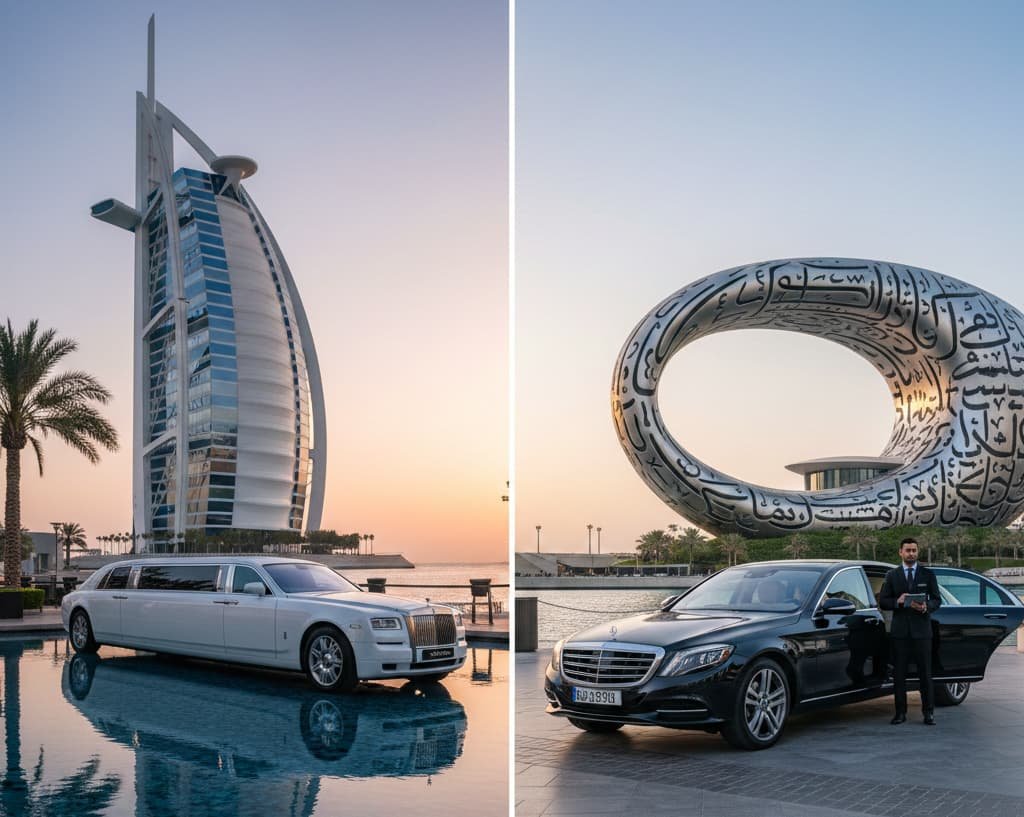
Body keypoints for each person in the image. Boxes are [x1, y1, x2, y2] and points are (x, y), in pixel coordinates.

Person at [879, 537, 941, 725]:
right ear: (901, 552)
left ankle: (928, 713)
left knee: (925, 674)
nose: (911, 553)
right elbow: (883, 602)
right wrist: (897, 601)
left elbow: (937, 600)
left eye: (914, 550)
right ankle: (900, 713)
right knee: (899, 675)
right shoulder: (892, 575)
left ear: (917, 552)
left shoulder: (928, 574)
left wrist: (926, 607)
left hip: (922, 632)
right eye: (908, 550)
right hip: (900, 634)